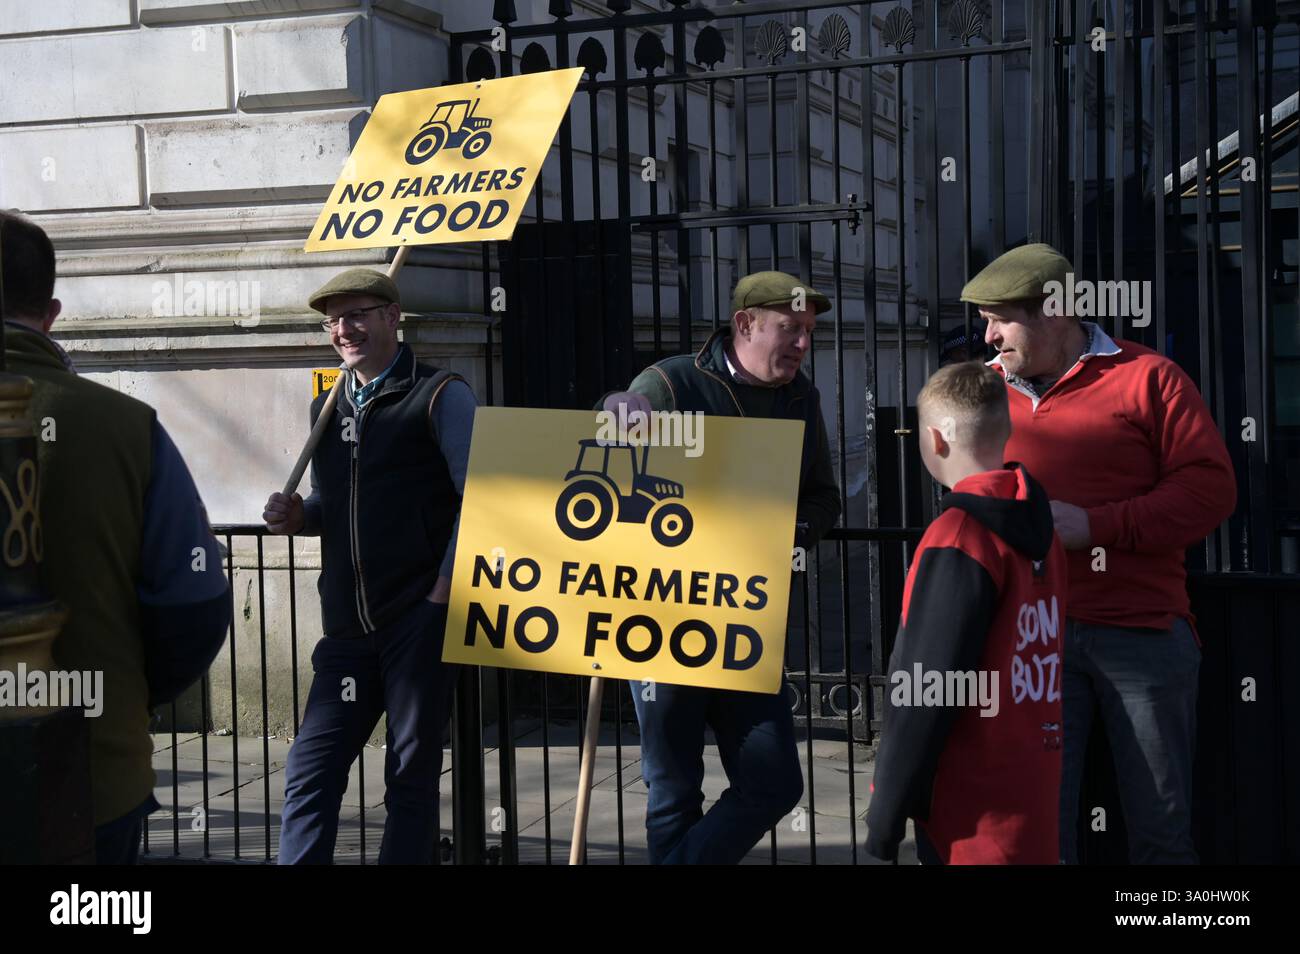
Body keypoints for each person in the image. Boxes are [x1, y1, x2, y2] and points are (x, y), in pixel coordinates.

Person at [961, 243, 1237, 864]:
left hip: (1141, 630)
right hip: (1031, 638)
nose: (989, 335)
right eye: (985, 320)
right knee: (1041, 832)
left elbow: (1211, 492)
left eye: (1000, 318)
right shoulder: (983, 393)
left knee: (1160, 834)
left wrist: (1097, 526)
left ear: (1054, 312)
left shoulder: (1150, 378)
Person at [2, 209, 230, 863]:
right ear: (50, 311)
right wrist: (121, 687)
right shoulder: (128, 427)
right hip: (92, 773)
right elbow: (194, 606)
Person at [601, 270, 841, 864]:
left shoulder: (800, 397)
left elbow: (821, 496)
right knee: (673, 792)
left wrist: (792, 530)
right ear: (745, 324)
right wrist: (611, 414)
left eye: (809, 331)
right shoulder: (670, 383)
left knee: (775, 780)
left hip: (744, 621)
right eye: (790, 329)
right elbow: (611, 467)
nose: (803, 344)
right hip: (660, 622)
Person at [264, 267, 476, 864]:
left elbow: (480, 500)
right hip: (349, 629)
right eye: (334, 319)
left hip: (418, 620)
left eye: (357, 313)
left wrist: (442, 594)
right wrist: (300, 515)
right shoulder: (326, 406)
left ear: (392, 317)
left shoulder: (441, 394)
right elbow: (344, 502)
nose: (344, 329)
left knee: (409, 778)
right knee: (310, 769)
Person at [864, 361, 1067, 864]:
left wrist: (884, 820)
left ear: (935, 439)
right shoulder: (1043, 525)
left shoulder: (958, 536)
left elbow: (924, 690)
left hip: (967, 816)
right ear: (1009, 428)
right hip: (1030, 799)